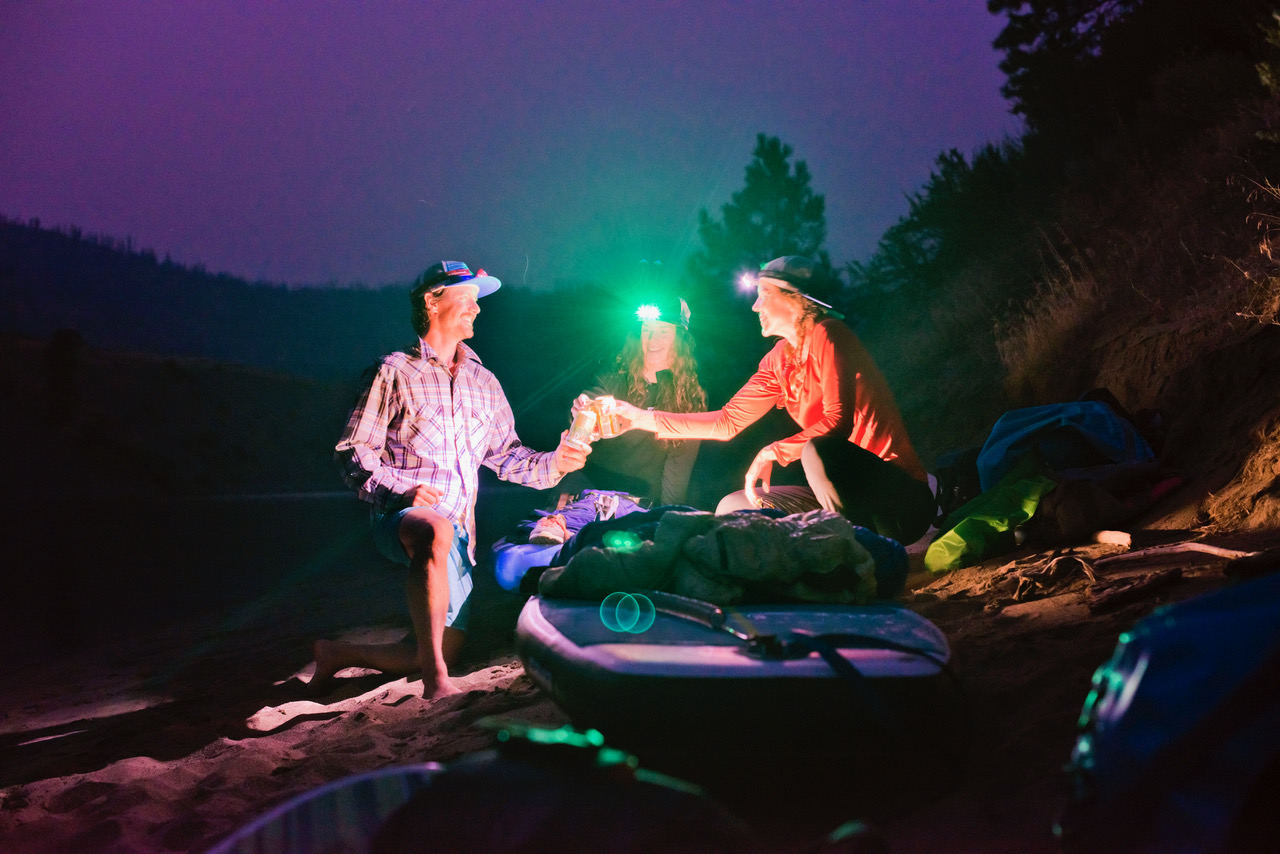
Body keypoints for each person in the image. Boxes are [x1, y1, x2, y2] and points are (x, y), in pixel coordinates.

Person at [317, 260, 589, 699]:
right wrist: (399, 488)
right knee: (434, 527)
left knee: (443, 646)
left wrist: (560, 460)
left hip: (461, 533)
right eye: (467, 299)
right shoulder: (393, 371)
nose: (477, 310)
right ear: (432, 300)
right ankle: (436, 683)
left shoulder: (485, 382)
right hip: (401, 515)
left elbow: (509, 457)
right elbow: (353, 451)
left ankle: (338, 654)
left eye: (478, 302)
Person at [613, 255, 934, 545]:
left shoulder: (829, 333)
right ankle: (811, 556)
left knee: (817, 450)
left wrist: (773, 451)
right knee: (734, 506)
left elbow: (837, 422)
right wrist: (639, 418)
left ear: (795, 299)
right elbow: (727, 422)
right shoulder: (778, 361)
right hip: (844, 501)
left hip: (898, 504)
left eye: (765, 294)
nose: (755, 306)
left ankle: (861, 557)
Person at [571, 295, 707, 506]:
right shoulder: (614, 375)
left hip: (643, 502)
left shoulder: (690, 396)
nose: (653, 339)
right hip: (591, 492)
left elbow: (678, 466)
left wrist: (665, 517)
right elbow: (588, 409)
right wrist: (583, 412)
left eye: (663, 331)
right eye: (647, 330)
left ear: (679, 338)